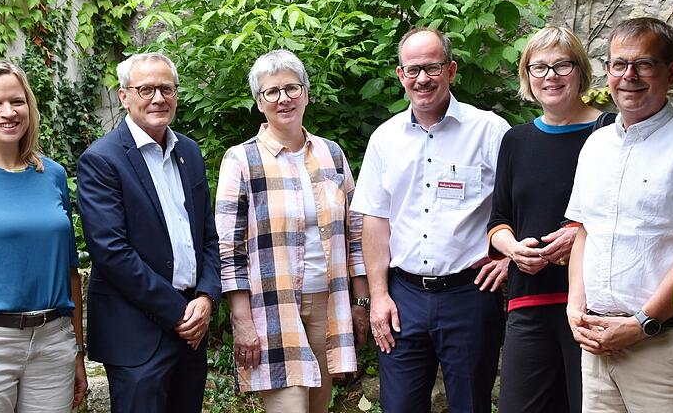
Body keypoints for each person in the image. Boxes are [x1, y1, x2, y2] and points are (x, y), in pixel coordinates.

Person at [350, 27, 510, 413]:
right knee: (400, 406)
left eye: (432, 67)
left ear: (451, 70)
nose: (422, 78)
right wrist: (379, 297)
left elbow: (520, 204)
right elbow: (374, 220)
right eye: (413, 69)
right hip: (403, 298)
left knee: (471, 405)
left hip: (470, 295)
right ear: (400, 75)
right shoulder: (385, 139)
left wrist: (509, 258)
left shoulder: (490, 131)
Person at [566, 17, 673, 412]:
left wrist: (641, 323)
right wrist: (575, 307)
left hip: (665, 345)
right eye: (618, 64)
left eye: (643, 64)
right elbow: (584, 231)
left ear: (672, 72)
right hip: (597, 345)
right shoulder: (595, 145)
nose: (628, 75)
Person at [216, 49, 369, 413]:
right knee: (289, 407)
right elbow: (228, 247)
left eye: (292, 88)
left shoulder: (332, 154)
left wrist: (361, 302)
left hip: (328, 303)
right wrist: (241, 320)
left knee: (318, 407)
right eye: (272, 92)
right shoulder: (241, 160)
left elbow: (357, 233)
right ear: (258, 102)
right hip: (271, 307)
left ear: (306, 92)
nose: (283, 98)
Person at [77, 52, 221, 412]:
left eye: (166, 88)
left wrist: (205, 297)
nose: (158, 98)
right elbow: (112, 253)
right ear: (124, 96)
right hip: (137, 336)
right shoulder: (102, 159)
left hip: (191, 328)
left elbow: (207, 237)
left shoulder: (188, 151)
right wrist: (179, 312)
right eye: (146, 89)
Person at [0, 59, 86, 412]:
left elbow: (70, 273)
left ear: (30, 107)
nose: (8, 112)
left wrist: (77, 353)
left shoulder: (52, 174)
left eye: (17, 101)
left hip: (52, 344)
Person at [487, 26, 604, 413]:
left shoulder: (608, 132)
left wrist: (578, 235)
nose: (550, 76)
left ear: (580, 71)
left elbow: (627, 213)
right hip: (529, 300)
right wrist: (513, 249)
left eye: (561, 65)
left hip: (594, 306)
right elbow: (499, 221)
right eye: (539, 67)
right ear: (527, 76)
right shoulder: (516, 140)